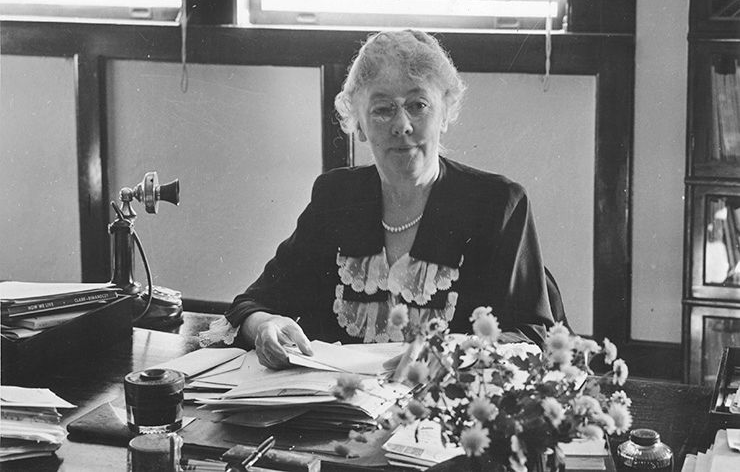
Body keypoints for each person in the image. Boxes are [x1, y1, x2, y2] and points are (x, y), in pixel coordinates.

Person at [201, 29, 556, 369]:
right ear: (358, 122)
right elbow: (253, 303)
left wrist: (452, 353)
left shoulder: (497, 204)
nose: (401, 124)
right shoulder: (336, 197)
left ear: (445, 113)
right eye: (382, 109)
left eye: (418, 104)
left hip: (446, 414)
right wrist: (265, 326)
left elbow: (531, 336)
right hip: (343, 416)